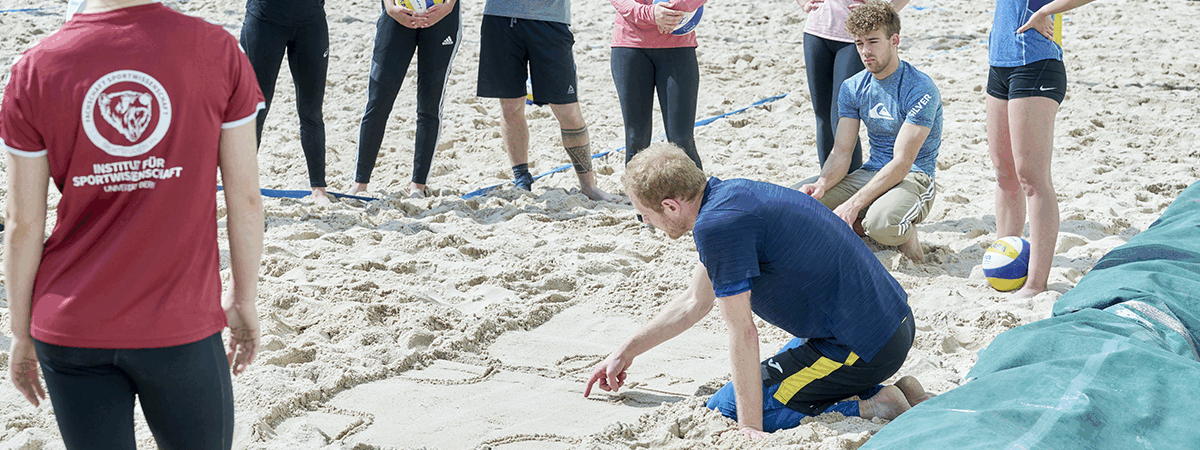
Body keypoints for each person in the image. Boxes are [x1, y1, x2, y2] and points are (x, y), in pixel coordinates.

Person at [3, 0, 264, 448]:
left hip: (71, 322)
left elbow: (23, 223)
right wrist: (244, 297)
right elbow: (245, 198)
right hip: (178, 320)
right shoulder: (215, 49)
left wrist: (20, 331)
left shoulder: (35, 68)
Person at [584, 143, 931, 438]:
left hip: (863, 346)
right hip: (889, 324)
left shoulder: (716, 227)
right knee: (752, 391)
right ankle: (896, 392)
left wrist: (750, 428)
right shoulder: (728, 196)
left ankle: (877, 406)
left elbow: (743, 332)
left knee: (727, 409)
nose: (645, 222)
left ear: (671, 206)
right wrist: (625, 352)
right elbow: (695, 301)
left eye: (644, 215)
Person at [795, 0, 941, 262]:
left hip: (914, 176)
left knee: (881, 224)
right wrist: (822, 183)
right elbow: (842, 152)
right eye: (859, 43)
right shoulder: (852, 87)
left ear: (894, 40)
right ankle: (867, 218)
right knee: (796, 203)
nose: (865, 51)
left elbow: (902, 162)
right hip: (872, 172)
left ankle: (903, 232)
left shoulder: (920, 88)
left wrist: (853, 204)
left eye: (873, 41)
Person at [987, 0, 1096, 298]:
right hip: (999, 62)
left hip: (1036, 62)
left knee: (1031, 178)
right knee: (1004, 173)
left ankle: (1036, 283)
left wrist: (1046, 11)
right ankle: (1004, 265)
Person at [476, 0, 621, 202]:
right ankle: (521, 177)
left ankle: (589, 186)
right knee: (510, 107)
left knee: (568, 110)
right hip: (500, 17)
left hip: (550, 19)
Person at [347, 0, 461, 199]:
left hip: (441, 16)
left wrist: (449, 6)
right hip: (397, 14)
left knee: (429, 105)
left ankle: (418, 186)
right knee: (378, 101)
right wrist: (390, 7)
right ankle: (360, 183)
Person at [798, 0, 909, 171]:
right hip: (816, 31)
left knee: (841, 117)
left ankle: (851, 180)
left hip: (855, 37)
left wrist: (884, 12)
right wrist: (804, 3)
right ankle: (827, 181)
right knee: (823, 117)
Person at [241, 0, 331, 204]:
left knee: (312, 112)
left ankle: (319, 189)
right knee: (255, 111)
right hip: (264, 20)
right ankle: (242, 188)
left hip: (311, 22)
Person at [608, 0, 705, 169]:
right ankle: (636, 188)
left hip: (678, 45)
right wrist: (651, 14)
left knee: (681, 141)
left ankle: (696, 187)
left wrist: (669, 13)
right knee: (636, 140)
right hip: (630, 45)